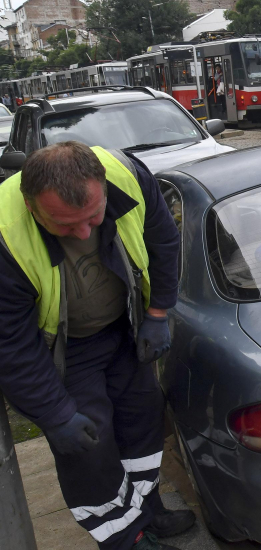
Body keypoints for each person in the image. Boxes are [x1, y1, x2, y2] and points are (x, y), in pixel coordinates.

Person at [0, 142, 192, 550]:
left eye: (93, 217)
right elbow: (9, 345)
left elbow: (164, 243)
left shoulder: (127, 175)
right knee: (89, 447)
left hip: (125, 327)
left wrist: (158, 313)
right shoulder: (5, 237)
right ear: (32, 207)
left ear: (103, 188)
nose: (84, 234)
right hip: (63, 351)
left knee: (142, 419)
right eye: (66, 226)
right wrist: (53, 414)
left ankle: (147, 510)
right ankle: (125, 538)